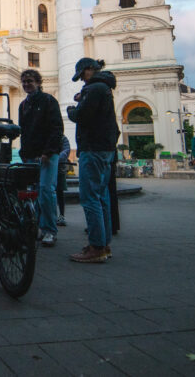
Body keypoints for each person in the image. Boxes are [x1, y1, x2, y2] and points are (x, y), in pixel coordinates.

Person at [66, 57, 119, 263]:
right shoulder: (104, 87)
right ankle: (103, 244)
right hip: (106, 148)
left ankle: (96, 247)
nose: (81, 80)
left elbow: (82, 116)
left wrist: (72, 110)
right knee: (102, 197)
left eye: (82, 75)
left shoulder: (94, 89)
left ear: (89, 70)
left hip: (93, 147)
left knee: (89, 198)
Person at [17, 69, 63, 247]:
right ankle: (36, 227)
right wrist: (24, 153)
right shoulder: (23, 105)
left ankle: (50, 230)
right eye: (24, 82)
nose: (27, 84)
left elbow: (56, 128)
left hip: (47, 154)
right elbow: (24, 131)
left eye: (30, 81)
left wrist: (48, 151)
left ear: (38, 82)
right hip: (30, 154)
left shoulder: (48, 101)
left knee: (46, 190)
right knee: (34, 193)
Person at [56, 135, 72, 226]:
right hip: (57, 167)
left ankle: (61, 215)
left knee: (60, 192)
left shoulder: (62, 138)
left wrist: (55, 158)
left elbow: (66, 150)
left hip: (59, 169)